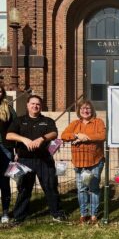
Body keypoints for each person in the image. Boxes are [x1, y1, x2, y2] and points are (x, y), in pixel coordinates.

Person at [6, 95, 65, 223]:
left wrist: (42, 138)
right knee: (24, 189)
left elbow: (54, 133)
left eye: (38, 104)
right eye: (32, 104)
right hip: (24, 160)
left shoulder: (47, 121)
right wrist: (23, 139)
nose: (35, 106)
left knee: (50, 186)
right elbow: (9, 135)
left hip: (44, 159)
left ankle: (57, 214)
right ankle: (19, 217)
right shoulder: (19, 121)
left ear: (41, 106)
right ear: (27, 105)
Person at [61, 100, 105, 224]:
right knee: (81, 189)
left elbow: (102, 135)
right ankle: (83, 214)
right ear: (79, 111)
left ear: (92, 110)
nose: (85, 111)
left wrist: (84, 137)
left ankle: (94, 215)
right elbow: (64, 135)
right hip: (79, 161)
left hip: (95, 161)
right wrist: (76, 135)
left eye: (88, 109)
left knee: (94, 188)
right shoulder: (75, 123)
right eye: (82, 109)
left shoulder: (98, 122)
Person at [0, 86, 17, 223]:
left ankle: (5, 212)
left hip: (5, 148)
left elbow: (16, 128)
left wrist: (16, 150)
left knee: (4, 182)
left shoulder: (9, 109)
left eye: (0, 90)